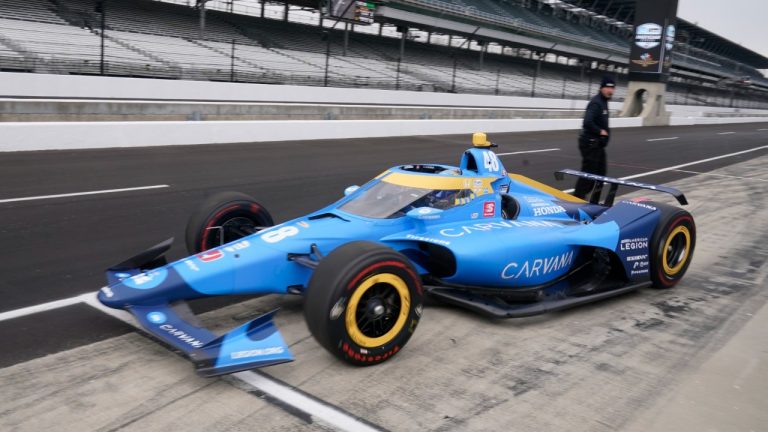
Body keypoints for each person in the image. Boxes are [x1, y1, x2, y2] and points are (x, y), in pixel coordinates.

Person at [574, 76, 615, 199]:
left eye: (612, 88)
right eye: (607, 87)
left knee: (601, 173)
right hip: (590, 144)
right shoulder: (596, 103)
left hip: (598, 145)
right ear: (601, 88)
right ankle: (577, 199)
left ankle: (594, 201)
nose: (610, 90)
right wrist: (600, 131)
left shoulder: (604, 102)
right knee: (589, 175)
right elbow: (587, 121)